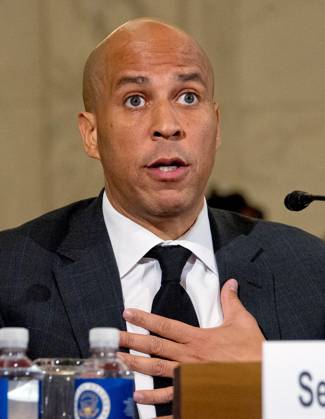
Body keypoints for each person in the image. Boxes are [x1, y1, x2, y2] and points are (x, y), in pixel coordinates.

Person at [0, 18, 324, 419]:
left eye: (188, 97)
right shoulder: (12, 273)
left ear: (217, 125)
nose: (168, 126)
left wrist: (272, 385)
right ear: (91, 134)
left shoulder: (310, 271)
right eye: (135, 99)